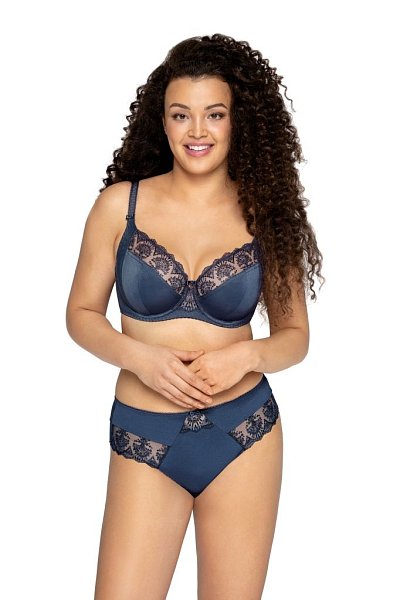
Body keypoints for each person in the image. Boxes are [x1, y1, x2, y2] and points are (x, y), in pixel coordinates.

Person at [66, 33, 324, 600]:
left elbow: (295, 336)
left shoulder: (266, 212)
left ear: (238, 121)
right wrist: (141, 359)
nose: (197, 131)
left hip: (244, 433)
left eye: (215, 114)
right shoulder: (120, 206)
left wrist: (245, 356)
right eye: (181, 114)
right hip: (145, 435)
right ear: (162, 121)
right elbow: (81, 314)